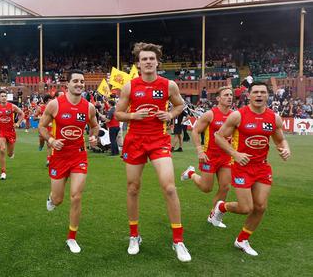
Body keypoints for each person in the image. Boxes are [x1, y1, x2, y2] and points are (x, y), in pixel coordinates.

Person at [114, 42, 191, 262]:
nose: (148, 62)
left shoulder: (169, 85)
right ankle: (134, 236)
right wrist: (132, 116)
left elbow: (180, 105)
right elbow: (118, 113)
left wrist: (170, 115)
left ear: (157, 62)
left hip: (158, 140)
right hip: (135, 140)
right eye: (144, 59)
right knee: (133, 188)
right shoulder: (129, 86)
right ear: (138, 63)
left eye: (151, 59)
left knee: (169, 187)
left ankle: (178, 240)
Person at [210, 82, 291, 256]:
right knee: (246, 207)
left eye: (263, 92)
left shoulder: (273, 118)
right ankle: (221, 207)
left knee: (260, 207)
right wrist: (235, 153)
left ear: (268, 95)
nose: (259, 95)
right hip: (241, 167)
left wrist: (286, 148)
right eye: (256, 92)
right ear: (249, 95)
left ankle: (242, 240)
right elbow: (218, 136)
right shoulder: (238, 116)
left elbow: (280, 140)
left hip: (262, 167)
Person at [39, 71, 99, 253]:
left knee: (76, 196)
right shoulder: (55, 104)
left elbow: (95, 126)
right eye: (75, 81)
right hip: (59, 157)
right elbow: (42, 126)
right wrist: (51, 141)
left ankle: (72, 237)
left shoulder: (89, 107)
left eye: (82, 81)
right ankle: (52, 198)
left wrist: (94, 137)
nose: (79, 84)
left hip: (79, 156)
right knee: (58, 200)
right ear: (68, 84)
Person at [180, 86, 234, 227]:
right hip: (209, 156)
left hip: (226, 157)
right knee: (206, 188)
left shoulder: (235, 115)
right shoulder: (210, 114)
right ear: (218, 98)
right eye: (226, 95)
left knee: (225, 187)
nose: (229, 97)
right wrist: (199, 150)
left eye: (231, 95)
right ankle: (191, 173)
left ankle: (214, 215)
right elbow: (196, 131)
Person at [0, 89, 24, 180]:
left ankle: (11, 153)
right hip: (1, 132)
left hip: (11, 132)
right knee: (2, 150)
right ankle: (3, 172)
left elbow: (22, 114)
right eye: (2, 96)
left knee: (9, 154)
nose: (4, 98)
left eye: (5, 96)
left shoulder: (12, 107)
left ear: (7, 97)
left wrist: (18, 123)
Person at [36, 94, 53, 166]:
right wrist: (41, 118)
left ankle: (48, 160)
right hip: (42, 128)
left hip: (51, 128)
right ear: (46, 102)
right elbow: (34, 117)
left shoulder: (54, 108)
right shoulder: (41, 108)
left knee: (49, 144)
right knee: (42, 141)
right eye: (49, 101)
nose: (51, 102)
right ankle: (41, 145)